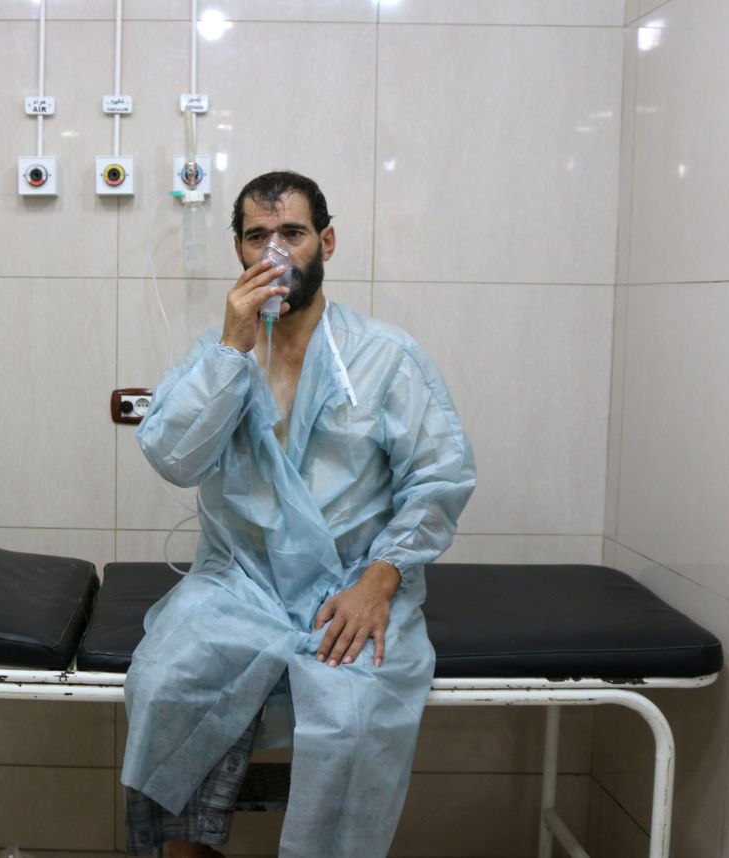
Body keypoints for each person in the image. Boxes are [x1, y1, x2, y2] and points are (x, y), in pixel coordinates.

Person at [121, 171, 478, 858]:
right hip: (239, 581)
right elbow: (173, 458)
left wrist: (381, 582)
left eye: (293, 233)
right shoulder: (216, 354)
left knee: (352, 719)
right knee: (167, 683)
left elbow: (440, 477)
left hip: (350, 583)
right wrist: (231, 348)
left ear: (327, 241)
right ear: (239, 251)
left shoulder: (384, 357)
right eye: (259, 236)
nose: (276, 251)